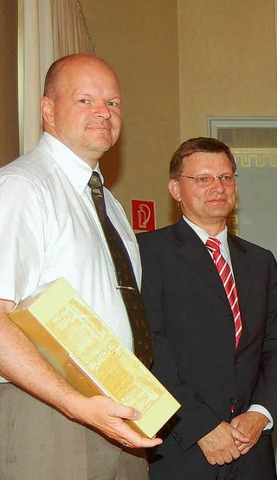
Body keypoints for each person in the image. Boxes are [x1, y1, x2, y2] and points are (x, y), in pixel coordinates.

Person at [0, 53, 161, 479]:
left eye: (112, 103)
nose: (103, 114)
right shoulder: (22, 188)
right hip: (51, 414)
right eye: (85, 100)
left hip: (121, 413)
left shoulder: (108, 203)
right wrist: (75, 404)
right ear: (47, 109)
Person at [137, 137, 277, 479]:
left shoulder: (261, 262)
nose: (217, 187)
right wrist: (200, 426)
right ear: (175, 189)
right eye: (203, 179)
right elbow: (149, 352)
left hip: (251, 449)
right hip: (184, 447)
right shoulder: (148, 254)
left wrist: (260, 413)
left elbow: (276, 349)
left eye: (225, 177)